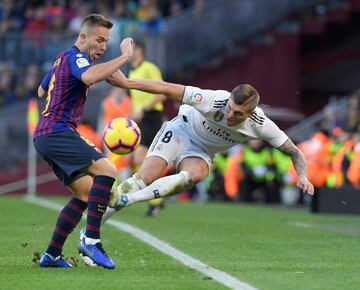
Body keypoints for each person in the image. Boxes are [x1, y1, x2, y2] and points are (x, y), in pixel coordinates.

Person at [98, 70, 314, 227]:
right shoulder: (213, 100)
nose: (230, 115)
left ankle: (129, 199)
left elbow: (294, 152)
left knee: (196, 175)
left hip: (201, 151)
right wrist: (126, 83)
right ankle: (92, 231)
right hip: (180, 130)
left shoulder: (261, 125)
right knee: (144, 178)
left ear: (250, 113)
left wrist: (302, 176)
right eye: (230, 108)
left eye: (237, 113)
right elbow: (166, 88)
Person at [33, 14, 133, 269]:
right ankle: (91, 240)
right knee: (108, 170)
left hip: (47, 133)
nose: (102, 46)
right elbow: (88, 77)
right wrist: (123, 57)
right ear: (82, 37)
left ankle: (52, 255)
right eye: (99, 40)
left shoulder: (62, 59)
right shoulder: (76, 58)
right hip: (57, 131)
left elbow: (41, 90)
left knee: (85, 193)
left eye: (106, 42)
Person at [127, 39, 167, 216]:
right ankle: (156, 196)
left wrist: (144, 109)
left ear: (139, 50)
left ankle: (156, 199)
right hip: (140, 119)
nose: (128, 52)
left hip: (151, 117)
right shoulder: (131, 71)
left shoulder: (149, 68)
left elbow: (162, 92)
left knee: (141, 159)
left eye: (131, 49)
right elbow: (135, 100)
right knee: (137, 161)